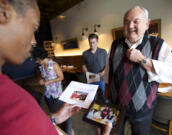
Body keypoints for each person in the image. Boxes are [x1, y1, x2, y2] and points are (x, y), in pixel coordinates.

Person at [0, 0, 112, 134]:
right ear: (3, 13)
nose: (34, 41)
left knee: (103, 99)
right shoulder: (11, 98)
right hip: (66, 87)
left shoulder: (11, 92)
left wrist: (53, 118)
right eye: (33, 28)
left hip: (93, 80)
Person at [105, 6, 172, 135]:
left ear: (147, 24)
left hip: (142, 110)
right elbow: (108, 71)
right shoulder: (115, 45)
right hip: (116, 106)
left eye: (136, 21)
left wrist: (142, 60)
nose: (130, 25)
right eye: (126, 22)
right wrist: (107, 93)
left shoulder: (158, 44)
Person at [32, 47, 73, 135]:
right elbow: (43, 77)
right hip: (48, 94)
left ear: (39, 58)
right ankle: (57, 130)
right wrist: (41, 80)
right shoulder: (42, 67)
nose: (35, 61)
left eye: (36, 59)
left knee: (62, 112)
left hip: (57, 93)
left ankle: (68, 131)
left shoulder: (54, 65)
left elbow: (61, 77)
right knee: (53, 112)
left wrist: (49, 81)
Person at [82, 33, 109, 103]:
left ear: (97, 41)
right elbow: (83, 65)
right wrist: (86, 73)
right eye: (90, 43)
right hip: (91, 78)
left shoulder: (103, 51)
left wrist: (104, 71)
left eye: (93, 42)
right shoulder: (85, 53)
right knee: (92, 97)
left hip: (102, 78)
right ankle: (94, 106)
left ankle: (104, 103)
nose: (92, 45)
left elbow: (108, 64)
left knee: (104, 95)